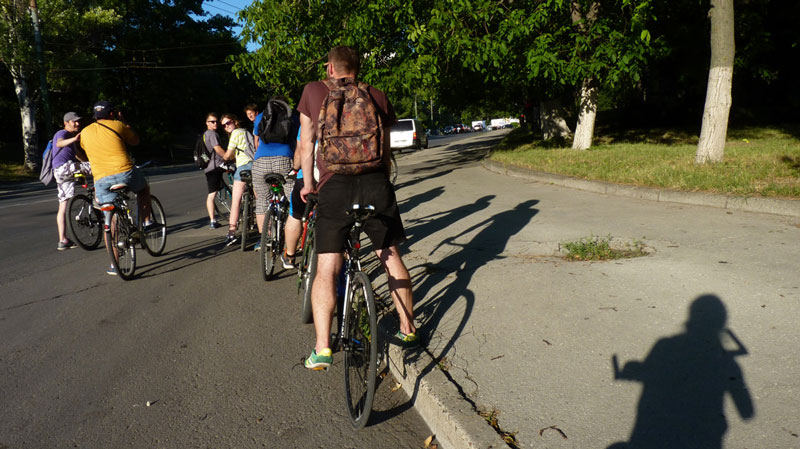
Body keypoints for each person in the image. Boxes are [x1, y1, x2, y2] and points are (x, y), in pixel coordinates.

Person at [298, 45, 418, 370]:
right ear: (357, 68)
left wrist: (309, 185)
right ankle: (408, 329)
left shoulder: (312, 91)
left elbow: (306, 143)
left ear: (330, 69)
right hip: (375, 184)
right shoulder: (377, 95)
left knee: (327, 268)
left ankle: (322, 347)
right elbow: (386, 147)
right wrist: (382, 180)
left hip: (333, 185)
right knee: (390, 256)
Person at [80, 100, 153, 275]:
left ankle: (115, 264)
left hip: (101, 179)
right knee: (143, 189)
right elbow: (135, 140)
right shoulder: (118, 125)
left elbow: (83, 148)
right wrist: (124, 120)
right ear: (112, 113)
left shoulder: (85, 131)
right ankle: (147, 222)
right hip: (124, 172)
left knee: (110, 220)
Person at [251, 96, 295, 256]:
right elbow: (299, 143)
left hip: (260, 162)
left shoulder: (259, 117)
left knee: (262, 200)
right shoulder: (293, 117)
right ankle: (292, 243)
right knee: (293, 201)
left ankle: (266, 239)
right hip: (284, 160)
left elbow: (256, 144)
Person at [52, 111, 92, 250]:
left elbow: (77, 155)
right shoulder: (62, 134)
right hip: (64, 168)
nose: (77, 123)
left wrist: (88, 161)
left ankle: (63, 240)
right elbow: (59, 143)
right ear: (66, 123)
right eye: (74, 121)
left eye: (78, 121)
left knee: (63, 205)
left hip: (61, 173)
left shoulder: (71, 137)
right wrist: (74, 140)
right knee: (99, 167)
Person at [220, 113, 253, 246]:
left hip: (243, 168)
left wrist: (222, 162)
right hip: (255, 164)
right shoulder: (246, 132)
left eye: (228, 123)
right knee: (261, 198)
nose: (226, 126)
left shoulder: (235, 133)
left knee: (236, 201)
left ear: (235, 122)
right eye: (224, 125)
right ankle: (268, 232)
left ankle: (231, 233)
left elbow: (228, 154)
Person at [202, 113, 229, 229]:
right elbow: (217, 149)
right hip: (216, 166)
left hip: (208, 167)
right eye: (212, 121)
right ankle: (213, 220)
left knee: (213, 192)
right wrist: (230, 157)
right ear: (207, 123)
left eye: (216, 121)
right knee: (211, 195)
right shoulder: (212, 134)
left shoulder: (204, 135)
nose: (215, 123)